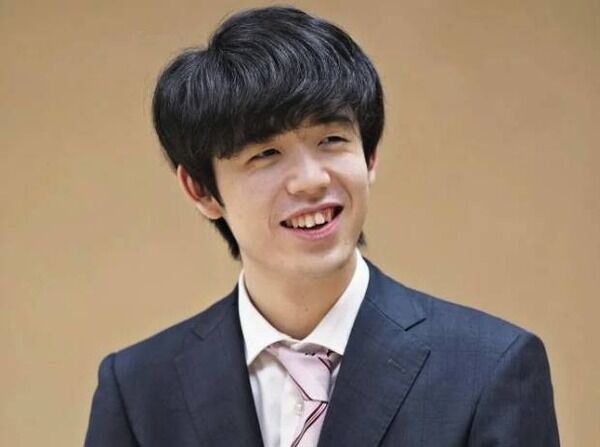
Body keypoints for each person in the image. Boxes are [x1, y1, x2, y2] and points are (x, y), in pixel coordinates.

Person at [85, 6, 559, 446]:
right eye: (266, 153)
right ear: (201, 191)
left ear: (369, 155)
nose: (312, 180)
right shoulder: (139, 390)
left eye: (332, 139)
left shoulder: (490, 367)